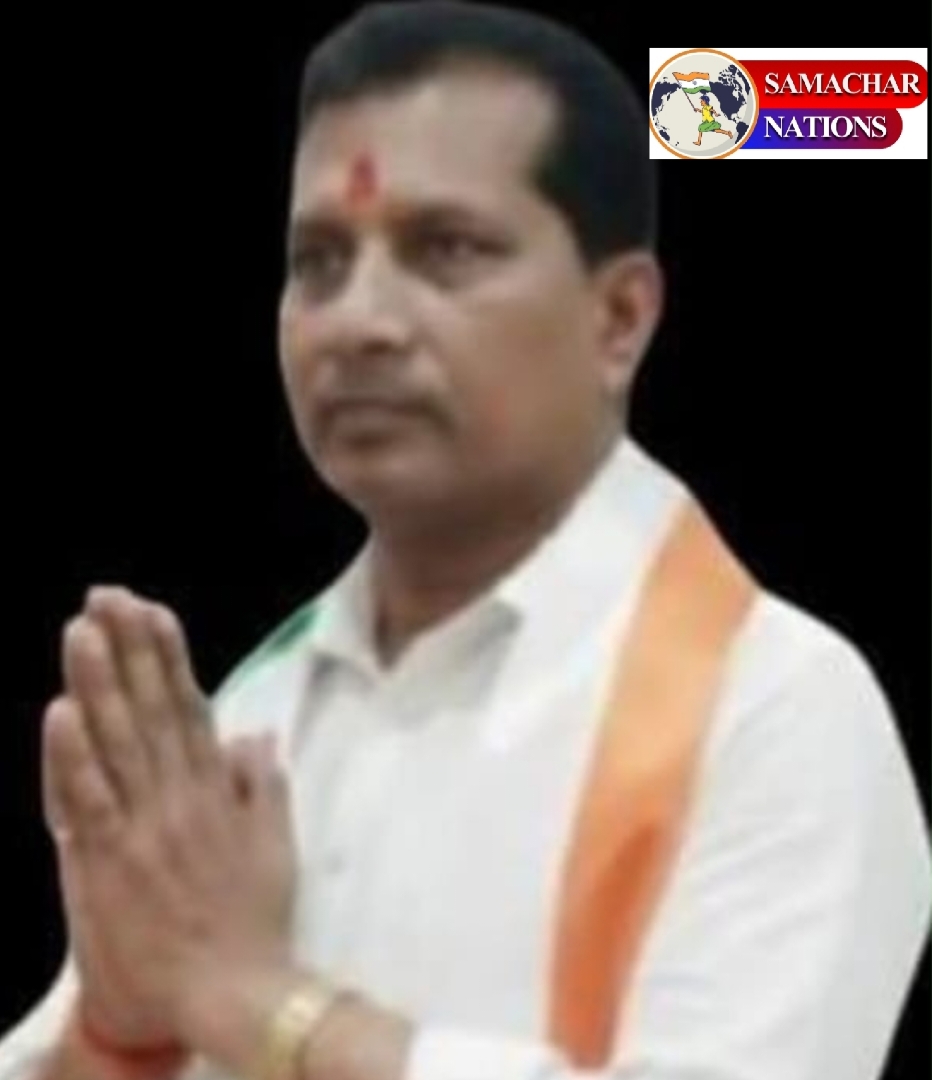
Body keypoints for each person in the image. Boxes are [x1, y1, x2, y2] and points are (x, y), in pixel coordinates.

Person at [1, 3, 930, 1079]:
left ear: (619, 318)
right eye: (318, 261)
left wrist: (258, 1004)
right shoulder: (250, 716)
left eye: (445, 250)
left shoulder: (773, 706)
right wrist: (118, 1029)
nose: (359, 322)